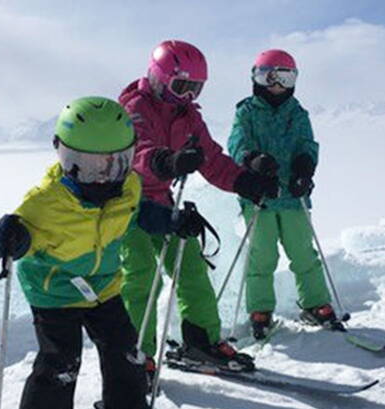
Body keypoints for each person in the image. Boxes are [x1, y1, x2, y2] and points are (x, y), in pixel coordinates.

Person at [0, 97, 181, 409]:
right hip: (54, 290)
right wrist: (13, 236)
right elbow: (21, 232)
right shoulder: (45, 202)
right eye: (91, 165)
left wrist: (170, 220)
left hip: (103, 285)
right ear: (65, 157)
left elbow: (136, 211)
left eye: (116, 162)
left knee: (125, 350)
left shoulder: (126, 185)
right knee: (61, 363)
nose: (104, 176)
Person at [118, 39, 278, 371]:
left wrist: (244, 182)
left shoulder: (188, 116)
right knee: (142, 277)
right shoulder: (134, 107)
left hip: (163, 203)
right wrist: (168, 161)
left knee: (191, 267)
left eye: (196, 89)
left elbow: (213, 159)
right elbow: (137, 150)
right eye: (182, 86)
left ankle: (200, 340)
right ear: (160, 78)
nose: (188, 96)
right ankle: (136, 356)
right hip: (127, 207)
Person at [227, 49, 336, 340]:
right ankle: (260, 310)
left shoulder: (297, 113)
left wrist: (305, 167)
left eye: (284, 78)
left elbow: (307, 144)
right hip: (260, 197)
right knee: (262, 256)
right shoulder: (246, 111)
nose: (276, 85)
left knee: (303, 253)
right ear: (257, 79)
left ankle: (316, 304)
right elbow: (237, 143)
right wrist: (252, 159)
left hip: (292, 196)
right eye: (269, 77)